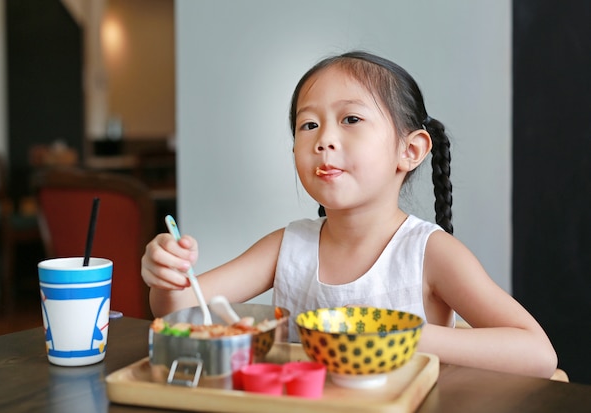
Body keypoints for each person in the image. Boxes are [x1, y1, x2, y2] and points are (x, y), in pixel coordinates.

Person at [141, 51, 557, 378]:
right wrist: (167, 275)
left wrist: (396, 337)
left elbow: (538, 354)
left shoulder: (430, 253)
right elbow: (176, 310)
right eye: (308, 126)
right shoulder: (288, 247)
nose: (325, 140)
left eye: (351, 119)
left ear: (409, 151)